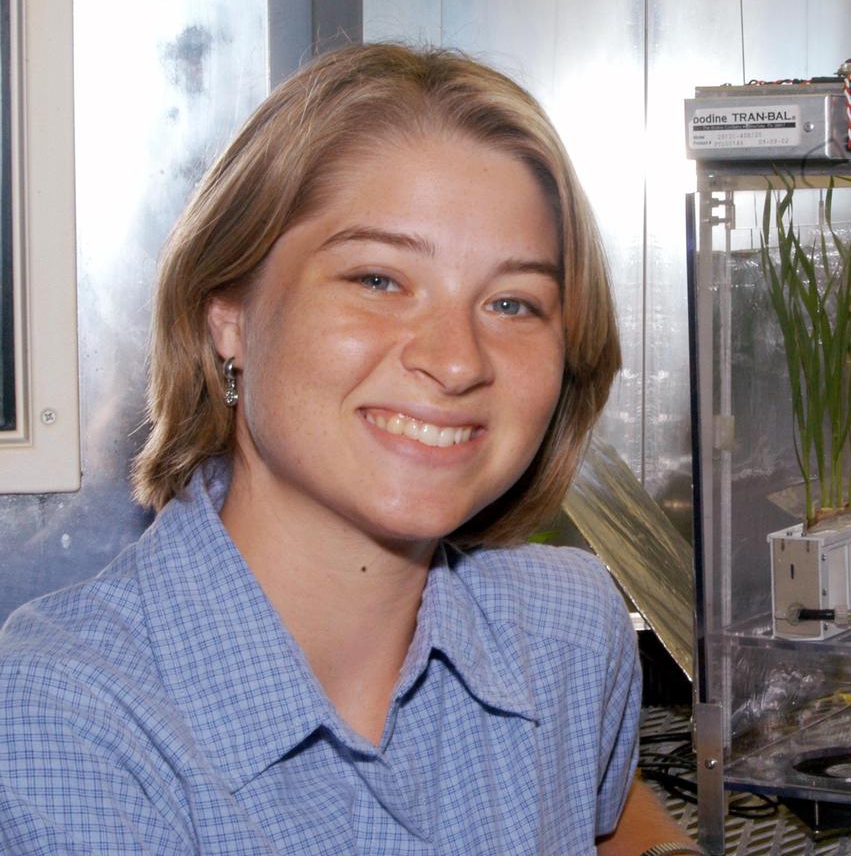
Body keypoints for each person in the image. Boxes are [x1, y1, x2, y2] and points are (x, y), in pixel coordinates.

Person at [0, 44, 700, 855]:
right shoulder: (61, 714)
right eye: (378, 280)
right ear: (227, 310)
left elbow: (603, 816)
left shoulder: (570, 628)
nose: (457, 358)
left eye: (513, 301)